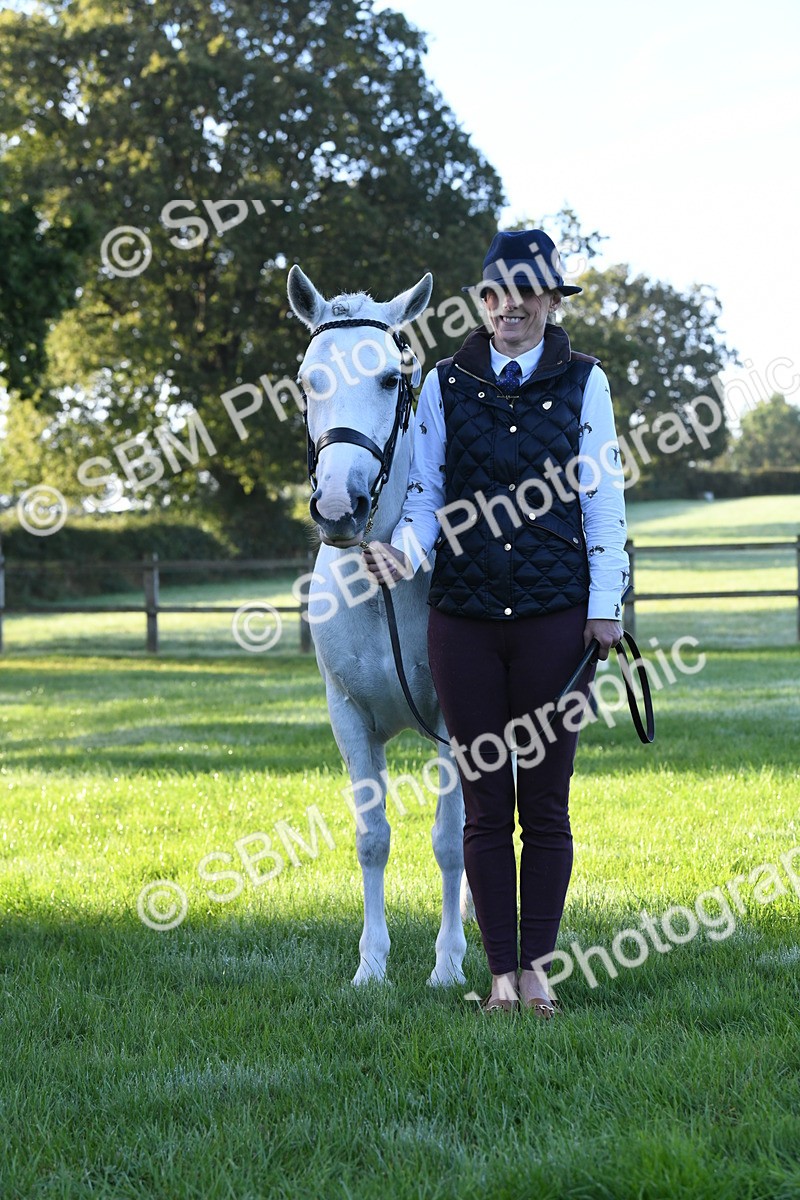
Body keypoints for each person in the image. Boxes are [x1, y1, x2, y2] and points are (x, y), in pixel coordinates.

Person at [364, 229, 628, 1015]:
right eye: (493, 296)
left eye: (525, 294)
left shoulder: (587, 380)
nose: (508, 308)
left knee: (546, 803)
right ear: (481, 304)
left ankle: (538, 970)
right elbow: (424, 498)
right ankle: (500, 978)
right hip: (466, 620)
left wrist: (606, 604)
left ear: (550, 301)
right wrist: (404, 556)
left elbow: (603, 499)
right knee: (485, 803)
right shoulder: (446, 384)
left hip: (557, 623)